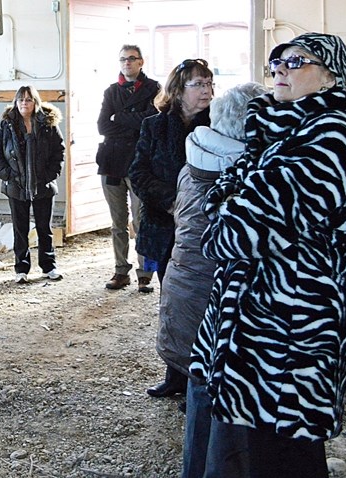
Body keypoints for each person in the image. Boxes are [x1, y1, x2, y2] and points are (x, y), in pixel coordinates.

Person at [189, 33, 346, 477]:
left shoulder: (332, 139)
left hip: (291, 330)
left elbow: (232, 233)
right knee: (261, 450)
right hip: (258, 326)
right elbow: (224, 207)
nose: (280, 70)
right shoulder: (282, 134)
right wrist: (230, 204)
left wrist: (229, 204)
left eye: (295, 61)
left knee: (286, 454)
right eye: (275, 63)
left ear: (331, 76)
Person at [166, 82, 268, 478]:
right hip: (212, 299)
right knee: (221, 406)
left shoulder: (197, 156)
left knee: (201, 396)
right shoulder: (243, 176)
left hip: (184, 290)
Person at [130, 59, 213, 400]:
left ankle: (203, 383)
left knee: (206, 303)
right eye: (198, 84)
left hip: (207, 232)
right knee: (174, 302)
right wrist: (172, 201)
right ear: (178, 91)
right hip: (166, 227)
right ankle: (176, 376)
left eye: (209, 83)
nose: (207, 89)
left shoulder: (219, 127)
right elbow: (138, 173)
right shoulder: (154, 127)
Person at [96, 44, 160, 292]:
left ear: (141, 61)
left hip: (140, 163)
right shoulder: (111, 91)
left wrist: (119, 117)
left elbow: (150, 122)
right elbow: (102, 126)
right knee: (117, 222)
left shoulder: (154, 88)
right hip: (112, 162)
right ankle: (121, 271)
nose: (127, 63)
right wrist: (131, 121)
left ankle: (145, 273)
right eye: (123, 59)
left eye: (131, 59)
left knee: (141, 219)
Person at [0, 85, 65, 284]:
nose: (24, 103)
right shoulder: (6, 125)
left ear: (35, 102)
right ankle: (21, 269)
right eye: (21, 99)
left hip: (43, 186)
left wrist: (50, 174)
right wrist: (7, 175)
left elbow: (59, 151)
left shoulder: (48, 124)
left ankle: (49, 267)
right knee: (20, 229)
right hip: (16, 186)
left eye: (29, 99)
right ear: (16, 102)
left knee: (44, 228)